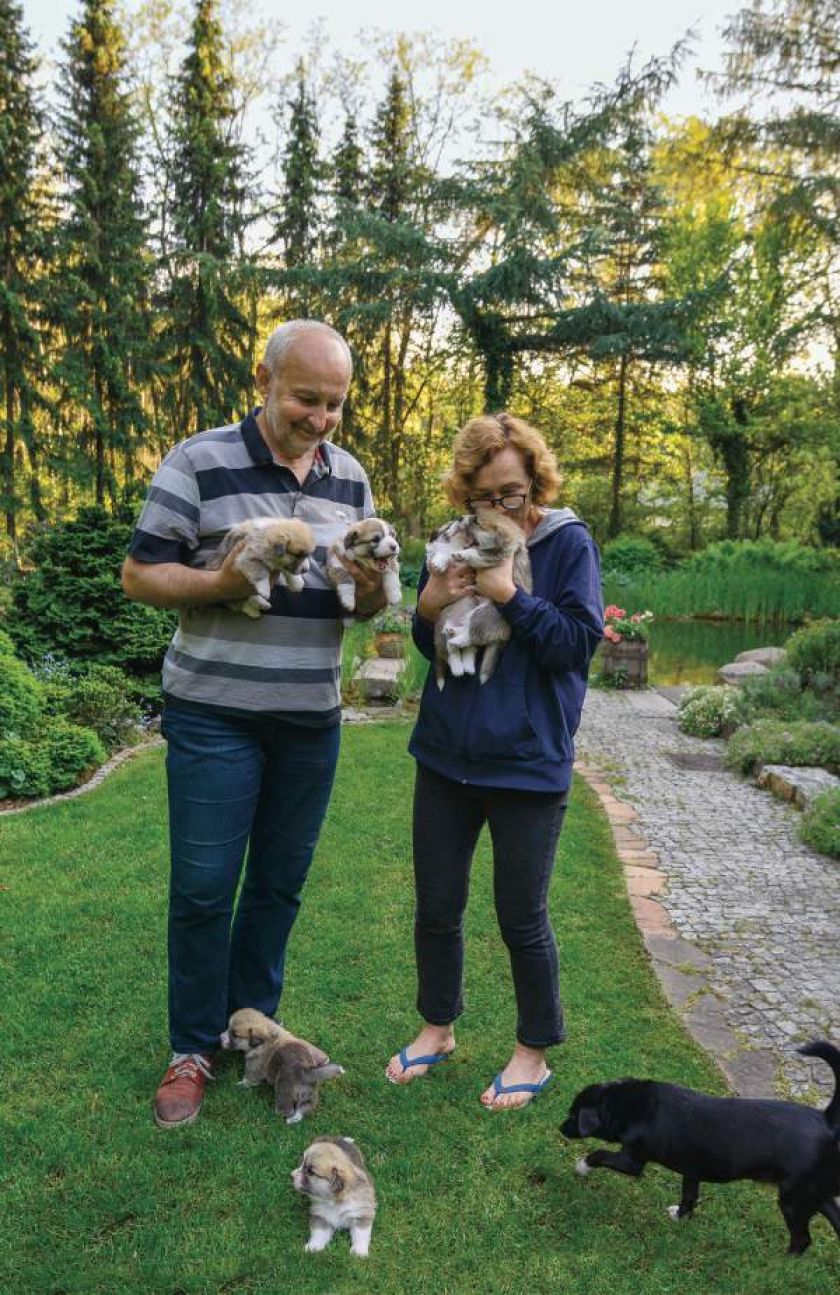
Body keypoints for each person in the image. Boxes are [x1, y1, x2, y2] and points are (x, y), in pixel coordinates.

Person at [122, 320, 385, 1128]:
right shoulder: (199, 460)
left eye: (335, 404)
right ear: (263, 379)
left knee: (277, 885)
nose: (320, 419)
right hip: (213, 714)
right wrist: (221, 580)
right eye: (307, 398)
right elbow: (139, 573)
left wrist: (370, 585)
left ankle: (256, 1033)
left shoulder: (349, 479)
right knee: (204, 888)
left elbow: (370, 608)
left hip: (309, 719)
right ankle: (192, 1048)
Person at [385, 412, 603, 1109]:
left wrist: (509, 591)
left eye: (514, 493)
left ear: (535, 480)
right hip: (446, 757)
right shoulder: (453, 542)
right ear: (467, 493)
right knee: (437, 906)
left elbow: (574, 643)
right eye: (486, 497)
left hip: (528, 764)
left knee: (521, 916)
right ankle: (436, 1028)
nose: (503, 508)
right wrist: (425, 607)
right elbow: (437, 644)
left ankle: (531, 1053)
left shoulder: (567, 541)